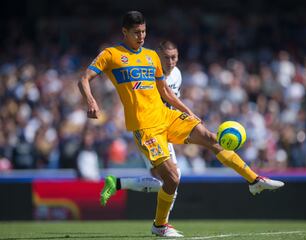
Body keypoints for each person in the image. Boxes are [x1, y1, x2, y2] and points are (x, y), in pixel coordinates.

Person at [78, 11, 284, 237]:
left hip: (167, 117)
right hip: (146, 127)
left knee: (212, 138)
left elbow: (164, 91)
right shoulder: (111, 54)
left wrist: (188, 111)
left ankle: (254, 180)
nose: (141, 36)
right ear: (124, 32)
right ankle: (159, 225)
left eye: (144, 31)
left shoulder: (151, 56)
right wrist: (91, 100)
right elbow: (84, 78)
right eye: (136, 32)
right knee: (172, 178)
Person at [103, 40, 183, 223]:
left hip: (165, 128)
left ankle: (116, 183)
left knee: (169, 181)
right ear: (157, 57)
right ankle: (162, 224)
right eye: (166, 58)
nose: (170, 62)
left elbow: (172, 102)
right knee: (173, 179)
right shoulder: (149, 76)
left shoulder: (177, 74)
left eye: (174, 58)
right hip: (149, 131)